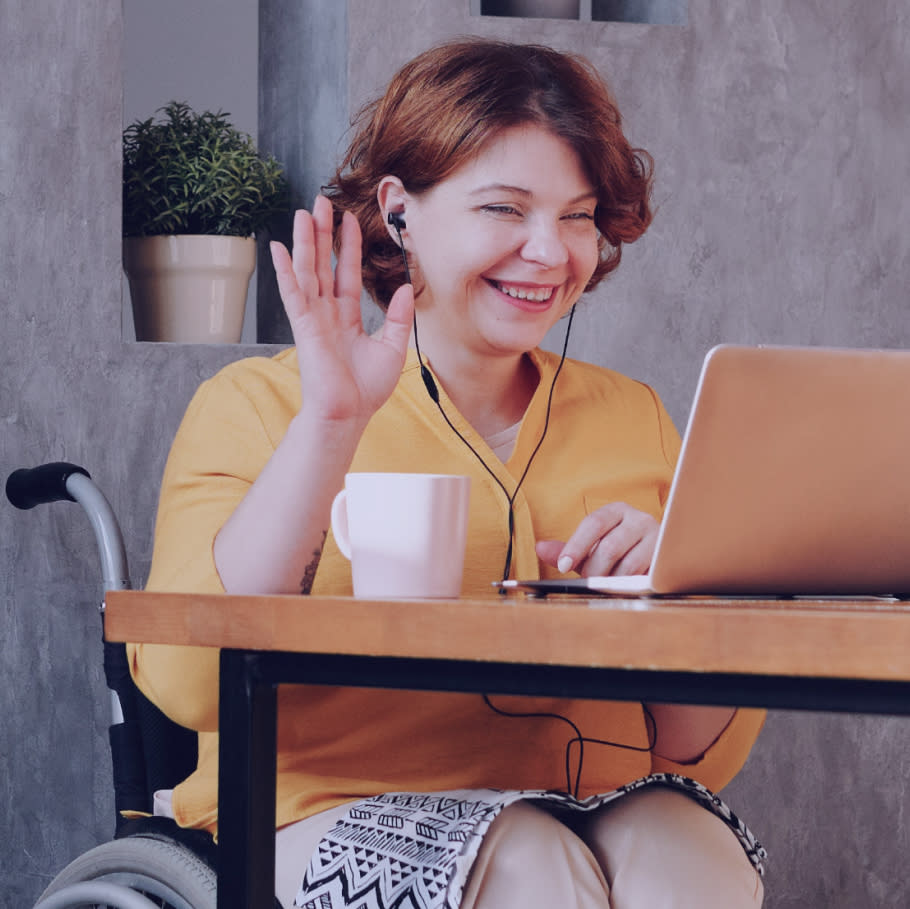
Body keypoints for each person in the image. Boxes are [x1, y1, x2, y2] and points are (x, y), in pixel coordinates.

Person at [128, 38, 766, 909]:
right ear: (400, 212)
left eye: (577, 215)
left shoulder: (634, 417)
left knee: (692, 854)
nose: (549, 251)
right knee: (531, 864)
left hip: (596, 801)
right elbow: (187, 681)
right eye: (505, 208)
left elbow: (689, 750)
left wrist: (681, 595)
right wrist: (332, 423)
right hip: (318, 812)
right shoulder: (258, 406)